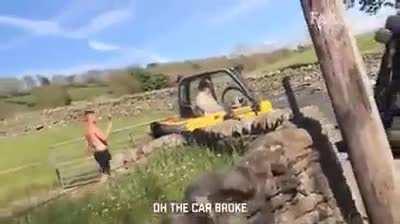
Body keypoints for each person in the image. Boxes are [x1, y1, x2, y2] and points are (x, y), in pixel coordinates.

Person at [83, 110, 113, 181]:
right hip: (103, 152)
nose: (96, 118)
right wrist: (110, 123)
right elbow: (104, 138)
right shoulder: (94, 128)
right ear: (91, 118)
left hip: (97, 154)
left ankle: (108, 186)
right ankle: (104, 187)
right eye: (94, 116)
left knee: (104, 172)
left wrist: (87, 154)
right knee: (106, 173)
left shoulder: (87, 130)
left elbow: (89, 144)